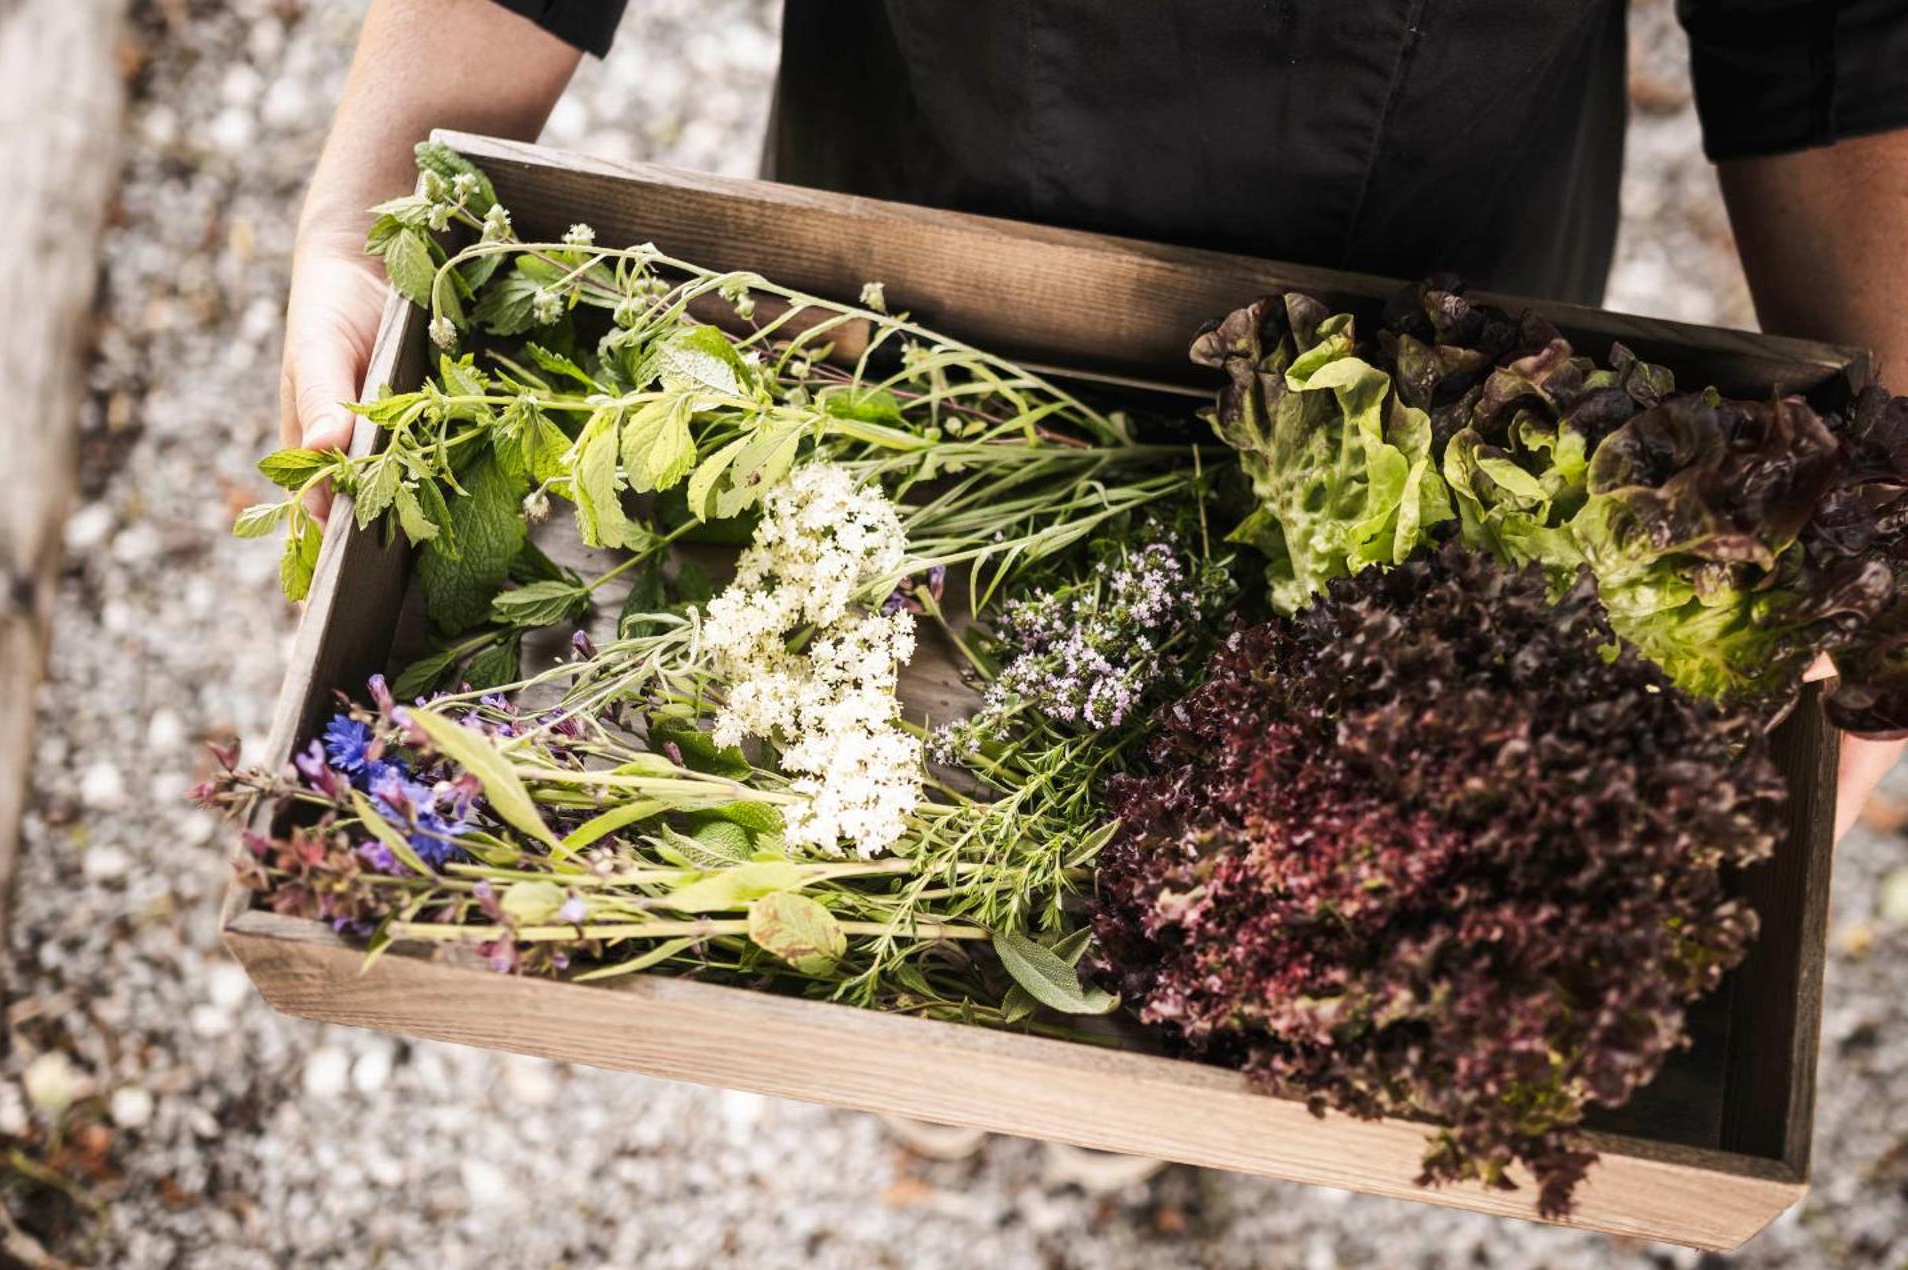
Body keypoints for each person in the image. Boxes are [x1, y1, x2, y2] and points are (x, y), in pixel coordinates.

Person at [280, 0, 1908, 833]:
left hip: (1429, 274)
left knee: (1339, 770)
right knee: (936, 725)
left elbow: (1833, 29)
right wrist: (375, 195)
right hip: (921, 203)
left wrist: (1873, 523)